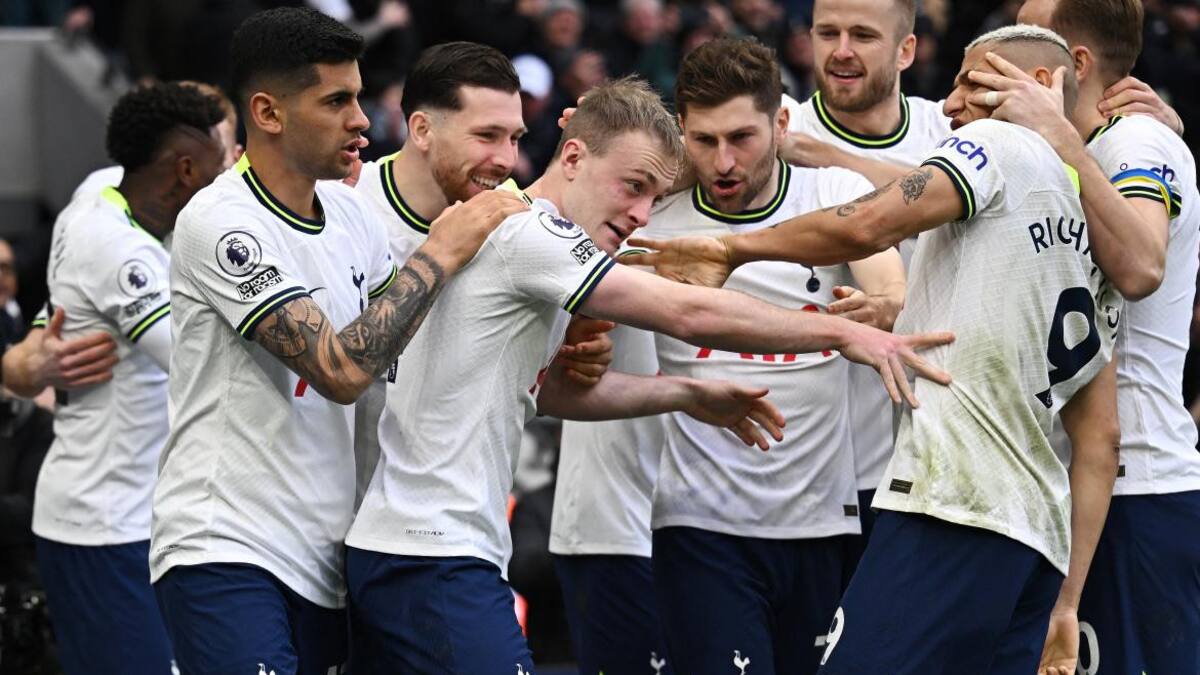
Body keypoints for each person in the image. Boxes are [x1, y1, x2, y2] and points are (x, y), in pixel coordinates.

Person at [344, 76, 953, 674]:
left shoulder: (520, 238)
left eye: (653, 196)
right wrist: (842, 333)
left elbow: (548, 392)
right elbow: (688, 312)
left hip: (417, 546)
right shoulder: (532, 234)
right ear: (573, 158)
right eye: (632, 187)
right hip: (432, 550)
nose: (640, 215)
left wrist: (686, 393)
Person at [627, 26, 1122, 674]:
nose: (949, 104)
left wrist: (733, 249)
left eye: (971, 83)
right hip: (1036, 529)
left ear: (1042, 87)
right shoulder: (1079, 218)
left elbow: (868, 224)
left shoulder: (998, 144)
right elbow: (1101, 432)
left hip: (954, 501)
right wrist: (1068, 599)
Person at [148, 8, 527, 674]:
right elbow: (342, 370)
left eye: (357, 96)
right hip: (225, 546)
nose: (360, 119)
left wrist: (550, 343)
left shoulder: (351, 211)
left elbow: (403, 338)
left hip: (325, 555)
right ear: (268, 113)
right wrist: (441, 249)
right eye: (336, 101)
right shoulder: (221, 220)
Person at [639, 37, 904, 675]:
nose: (723, 161)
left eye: (742, 137)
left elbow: (888, 280)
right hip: (700, 525)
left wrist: (882, 307)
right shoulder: (651, 220)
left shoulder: (830, 191)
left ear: (781, 122)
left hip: (823, 521)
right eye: (703, 141)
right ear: (681, 133)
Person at [969, 2, 1200, 672]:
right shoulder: (1077, 151)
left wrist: (1064, 137)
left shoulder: (1135, 142)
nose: (1005, 51)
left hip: (1138, 492)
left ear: (1073, 64)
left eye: (1028, 34)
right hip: (1069, 493)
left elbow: (1141, 267)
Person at [31, 82, 227, 675]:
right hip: (104, 522)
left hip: (136, 517)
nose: (232, 178)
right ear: (185, 170)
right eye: (223, 163)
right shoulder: (120, 251)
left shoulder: (103, 191)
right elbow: (202, 367)